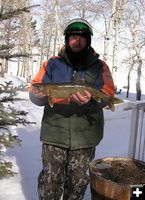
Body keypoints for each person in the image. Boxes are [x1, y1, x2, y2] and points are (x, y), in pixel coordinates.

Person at [28, 18, 115, 200]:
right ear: (67, 39)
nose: (78, 41)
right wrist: (39, 96)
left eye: (82, 37)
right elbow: (35, 89)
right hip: (54, 134)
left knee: (77, 183)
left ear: (88, 40)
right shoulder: (51, 63)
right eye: (73, 37)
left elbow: (107, 92)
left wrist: (91, 102)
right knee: (50, 183)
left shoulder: (100, 66)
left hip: (85, 136)